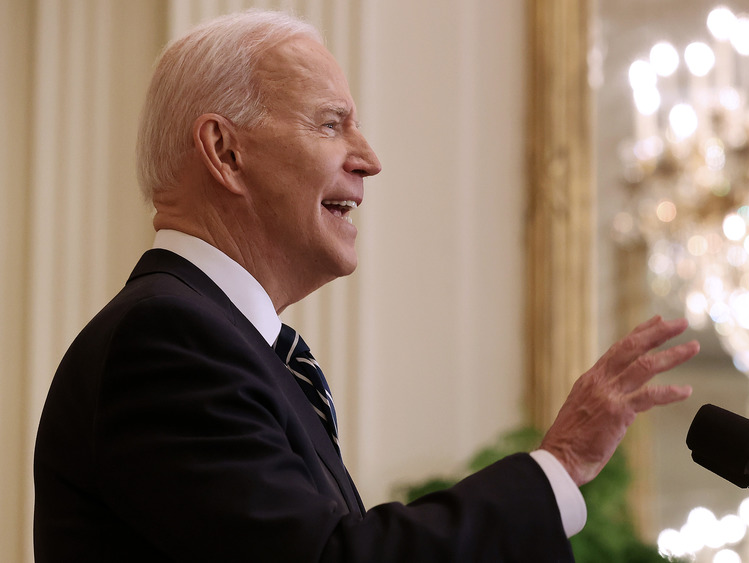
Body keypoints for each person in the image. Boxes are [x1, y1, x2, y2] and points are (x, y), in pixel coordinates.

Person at [33, 10, 700, 562]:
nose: (370, 159)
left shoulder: (235, 346)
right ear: (226, 152)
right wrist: (557, 465)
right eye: (331, 123)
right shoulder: (168, 341)